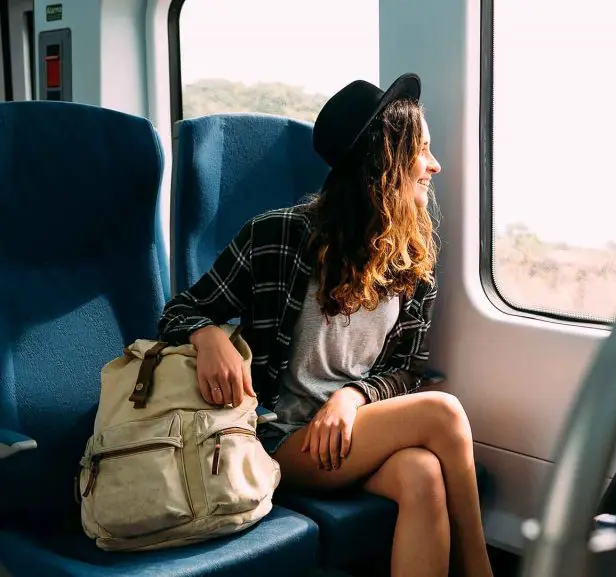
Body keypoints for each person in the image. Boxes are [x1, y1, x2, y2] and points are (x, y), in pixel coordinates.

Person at [158, 73, 493, 577]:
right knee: (444, 414)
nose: (434, 165)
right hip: (277, 442)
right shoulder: (278, 236)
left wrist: (351, 396)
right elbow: (177, 312)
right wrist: (207, 336)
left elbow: (404, 371)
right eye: (422, 151)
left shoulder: (411, 256)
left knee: (423, 473)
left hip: (351, 435)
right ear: (386, 162)